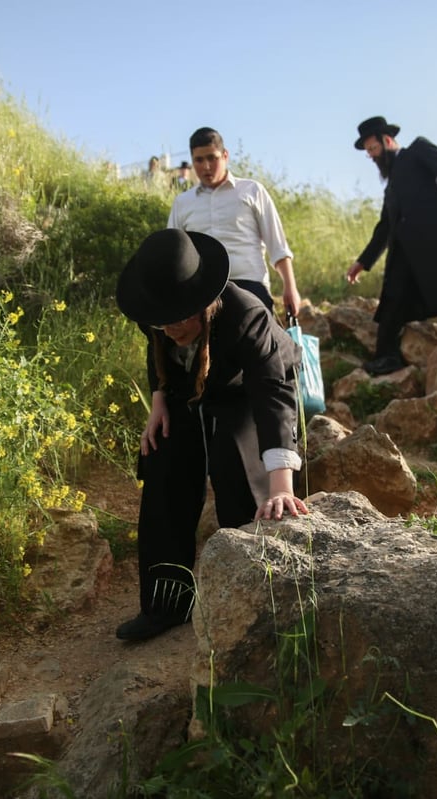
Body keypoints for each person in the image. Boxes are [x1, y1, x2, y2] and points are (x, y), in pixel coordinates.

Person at [113, 228, 308, 642]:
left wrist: (281, 485)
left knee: (233, 457)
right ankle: (168, 602)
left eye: (178, 317)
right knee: (162, 453)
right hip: (190, 383)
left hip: (247, 387)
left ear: (202, 302)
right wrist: (159, 400)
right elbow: (158, 351)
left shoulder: (245, 313)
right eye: (160, 321)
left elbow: (272, 392)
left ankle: (253, 594)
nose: (168, 328)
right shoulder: (159, 317)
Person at [346, 116, 437, 375]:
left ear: (386, 140)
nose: (372, 156)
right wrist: (363, 262)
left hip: (432, 247)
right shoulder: (391, 188)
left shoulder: (417, 151)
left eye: (374, 149)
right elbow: (384, 226)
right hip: (404, 255)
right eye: (368, 153)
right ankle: (387, 358)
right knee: (391, 303)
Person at [168, 127, 302, 317]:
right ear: (192, 161)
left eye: (212, 158)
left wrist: (291, 287)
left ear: (225, 155)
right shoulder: (182, 203)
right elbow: (174, 255)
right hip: (202, 294)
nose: (206, 166)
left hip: (250, 289)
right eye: (199, 160)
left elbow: (277, 245)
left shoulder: (252, 191)